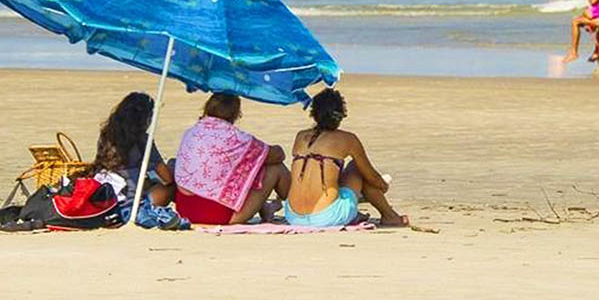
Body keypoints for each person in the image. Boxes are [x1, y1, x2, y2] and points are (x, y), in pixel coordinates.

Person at [285, 89, 408, 228]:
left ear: (314, 114)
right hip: (326, 217)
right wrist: (383, 186)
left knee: (330, 172)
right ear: (341, 114)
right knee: (357, 167)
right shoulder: (348, 139)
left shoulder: (300, 136)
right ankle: (390, 216)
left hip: (294, 216)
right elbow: (371, 176)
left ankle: (357, 211)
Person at [173, 93, 290, 225]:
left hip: (185, 211)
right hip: (218, 215)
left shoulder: (191, 132)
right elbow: (278, 155)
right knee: (275, 168)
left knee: (251, 167)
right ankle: (297, 211)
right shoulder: (236, 138)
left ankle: (267, 208)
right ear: (236, 114)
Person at [91, 92, 185, 229]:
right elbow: (166, 176)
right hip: (133, 200)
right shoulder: (143, 139)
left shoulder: (106, 135)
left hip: (108, 198)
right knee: (172, 184)